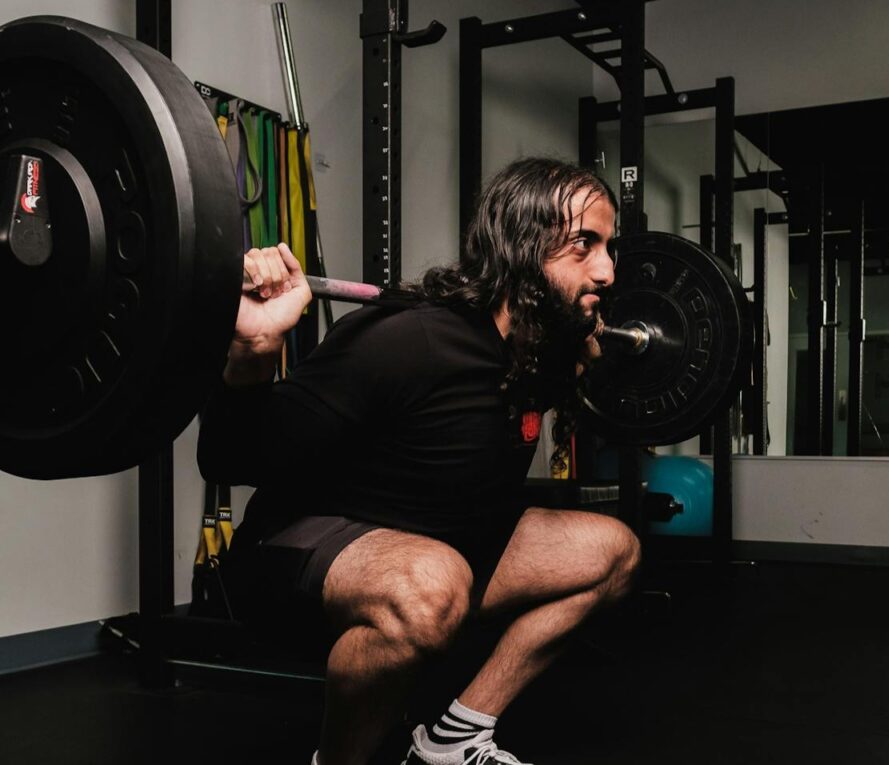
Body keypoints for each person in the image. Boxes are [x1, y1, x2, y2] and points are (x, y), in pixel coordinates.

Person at [198, 157, 641, 765]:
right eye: (584, 245)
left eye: (608, 246)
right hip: (297, 556)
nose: (608, 269)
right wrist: (252, 352)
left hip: (448, 546)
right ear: (520, 247)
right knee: (432, 583)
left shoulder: (544, 349)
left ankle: (454, 738)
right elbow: (228, 456)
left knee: (611, 550)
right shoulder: (408, 340)